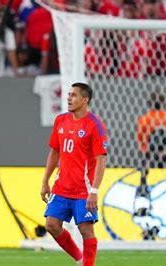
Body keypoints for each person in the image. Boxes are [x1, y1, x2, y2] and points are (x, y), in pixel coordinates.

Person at [41, 83, 108, 266]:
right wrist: (45, 181)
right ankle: (80, 260)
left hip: (83, 189)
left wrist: (94, 191)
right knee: (51, 225)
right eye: (68, 94)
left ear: (85, 100)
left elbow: (101, 160)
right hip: (61, 186)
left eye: (74, 95)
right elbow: (54, 152)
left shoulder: (95, 125)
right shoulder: (61, 120)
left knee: (86, 230)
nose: (69, 98)